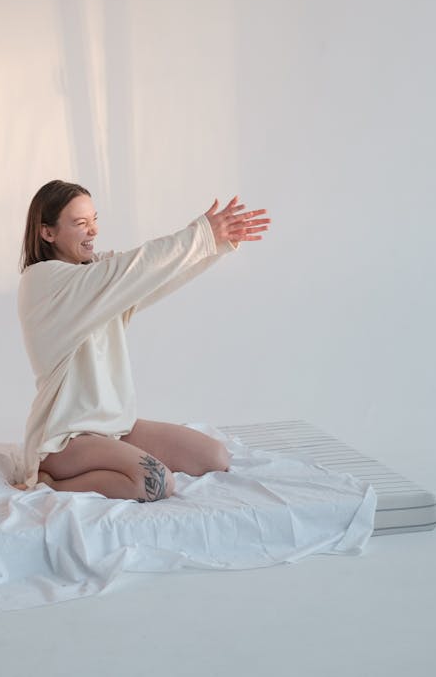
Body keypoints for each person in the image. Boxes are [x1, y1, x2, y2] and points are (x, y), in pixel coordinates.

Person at [17, 179, 270, 502]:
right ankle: (49, 483)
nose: (93, 230)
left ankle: (108, 459)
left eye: (95, 220)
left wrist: (215, 244)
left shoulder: (94, 274)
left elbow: (153, 276)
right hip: (65, 440)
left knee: (215, 458)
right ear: (47, 233)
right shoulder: (44, 281)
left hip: (115, 427)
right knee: (155, 481)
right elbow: (134, 269)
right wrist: (201, 234)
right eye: (81, 223)